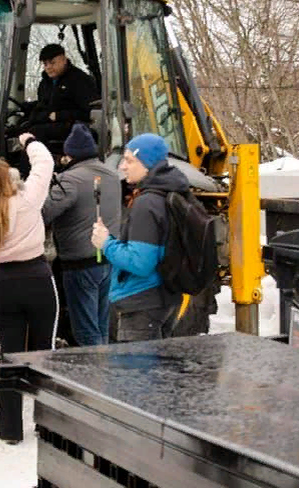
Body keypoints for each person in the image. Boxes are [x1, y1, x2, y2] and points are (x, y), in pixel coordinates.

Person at [0, 133, 56, 444]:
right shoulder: (28, 199)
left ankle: (10, 429)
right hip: (37, 278)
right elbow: (45, 162)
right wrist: (30, 140)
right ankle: (46, 424)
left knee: (10, 356)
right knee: (44, 353)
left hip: (4, 284)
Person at [91, 133, 189, 342]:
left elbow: (140, 263)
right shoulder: (171, 193)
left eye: (129, 160)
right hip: (166, 295)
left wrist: (106, 243)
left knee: (135, 373)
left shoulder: (147, 203)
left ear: (148, 164)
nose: (122, 167)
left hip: (142, 303)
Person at [42, 123, 121, 346]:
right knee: (101, 324)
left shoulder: (70, 180)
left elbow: (44, 213)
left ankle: (94, 375)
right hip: (107, 260)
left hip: (81, 265)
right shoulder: (113, 176)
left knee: (86, 330)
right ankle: (104, 369)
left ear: (71, 155)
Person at [23, 44, 98, 147]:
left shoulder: (80, 80)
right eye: (45, 64)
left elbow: (90, 112)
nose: (48, 67)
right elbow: (45, 103)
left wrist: (60, 115)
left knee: (35, 133)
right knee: (19, 129)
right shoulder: (45, 83)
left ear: (64, 60)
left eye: (52, 63)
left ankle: (38, 161)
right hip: (50, 122)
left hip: (74, 125)